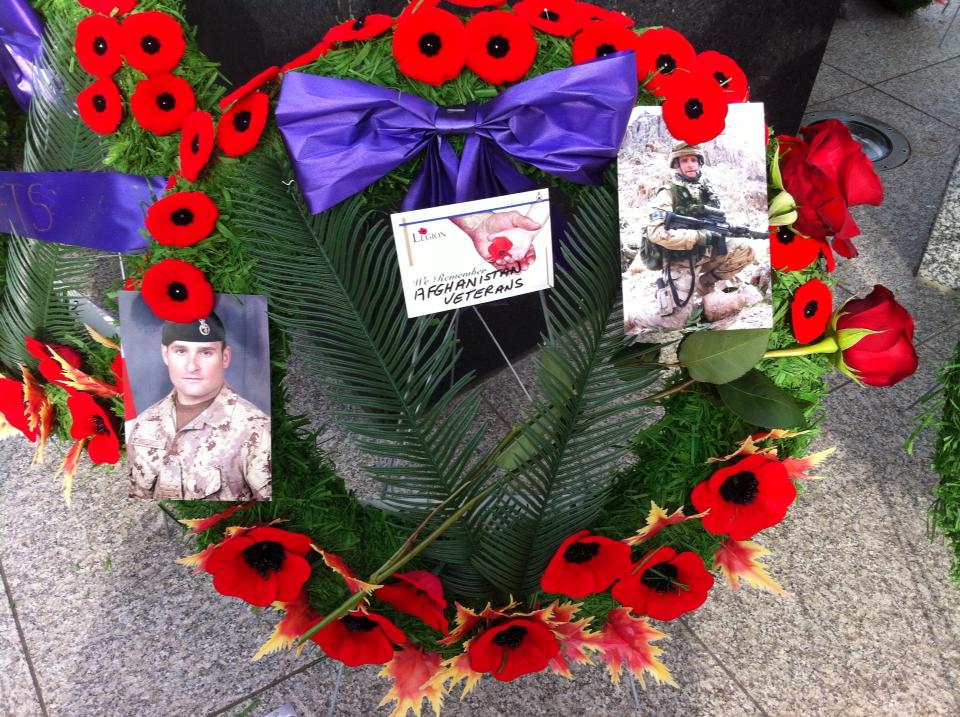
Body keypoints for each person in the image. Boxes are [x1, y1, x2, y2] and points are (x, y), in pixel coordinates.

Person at [127, 312, 271, 501]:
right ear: (165, 354)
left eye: (205, 353)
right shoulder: (144, 423)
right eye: (181, 351)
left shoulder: (258, 430)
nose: (192, 366)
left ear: (225, 357)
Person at [629, 142, 756, 328]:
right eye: (685, 160)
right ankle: (633, 318)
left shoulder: (707, 189)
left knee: (746, 250)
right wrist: (698, 236)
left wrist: (726, 230)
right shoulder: (668, 193)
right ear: (676, 165)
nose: (690, 164)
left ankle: (704, 283)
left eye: (694, 160)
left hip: (706, 254)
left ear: (699, 163)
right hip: (679, 260)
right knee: (674, 322)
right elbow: (655, 232)